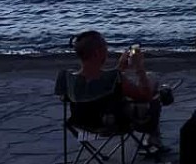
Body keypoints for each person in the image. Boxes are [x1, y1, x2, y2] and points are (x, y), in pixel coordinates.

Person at [65, 29, 171, 157]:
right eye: (105, 46)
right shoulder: (114, 79)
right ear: (98, 53)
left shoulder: (69, 79)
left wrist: (120, 68)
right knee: (154, 91)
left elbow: (102, 84)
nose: (107, 50)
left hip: (81, 125)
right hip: (115, 125)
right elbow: (145, 96)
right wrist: (139, 68)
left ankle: (153, 138)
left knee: (148, 84)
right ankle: (153, 140)